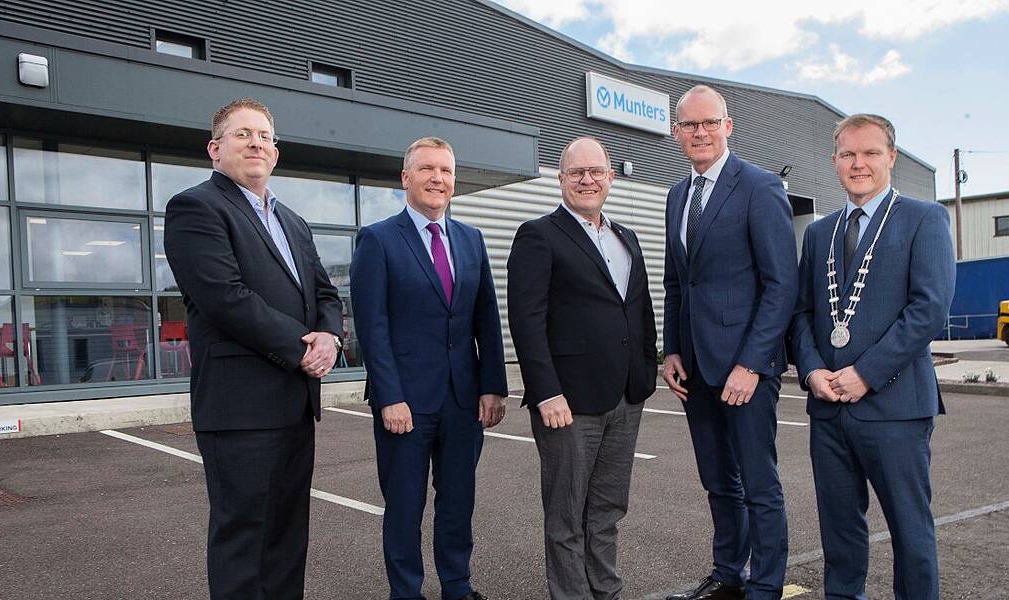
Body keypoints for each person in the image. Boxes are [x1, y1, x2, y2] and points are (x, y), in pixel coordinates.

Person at [164, 98, 344, 600]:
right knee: (244, 539)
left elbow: (325, 292)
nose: (256, 143)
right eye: (242, 134)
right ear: (215, 149)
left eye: (264, 136)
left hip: (294, 403)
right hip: (240, 407)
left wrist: (329, 336)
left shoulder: (292, 220)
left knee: (288, 537)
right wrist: (301, 346)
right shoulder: (195, 207)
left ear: (276, 153)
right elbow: (224, 298)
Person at [789, 114, 954, 599]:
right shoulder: (819, 235)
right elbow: (800, 313)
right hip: (828, 410)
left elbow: (929, 310)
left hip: (896, 408)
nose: (858, 164)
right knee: (839, 535)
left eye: (870, 153)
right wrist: (813, 368)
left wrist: (866, 374)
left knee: (911, 533)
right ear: (835, 161)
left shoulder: (924, 219)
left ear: (891, 158)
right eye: (848, 154)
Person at [350, 136, 508, 600]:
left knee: (458, 503)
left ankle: (458, 587)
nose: (437, 178)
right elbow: (372, 327)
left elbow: (486, 318)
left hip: (463, 400)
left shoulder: (470, 238)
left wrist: (493, 386)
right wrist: (389, 395)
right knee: (405, 506)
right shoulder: (378, 239)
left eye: (445, 171)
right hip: (406, 403)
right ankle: (406, 592)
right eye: (426, 169)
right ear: (406, 178)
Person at [661, 85, 798, 600]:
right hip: (696, 370)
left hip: (745, 371)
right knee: (719, 482)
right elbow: (679, 281)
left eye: (709, 123)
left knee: (759, 486)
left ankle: (766, 586)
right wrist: (673, 350)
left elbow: (780, 284)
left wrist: (752, 364)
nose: (699, 133)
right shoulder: (678, 194)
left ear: (728, 126)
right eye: (689, 125)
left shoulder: (760, 188)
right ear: (676, 132)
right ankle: (727, 576)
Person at [507, 136, 658, 600]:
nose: (587, 180)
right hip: (568, 401)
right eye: (577, 173)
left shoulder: (625, 237)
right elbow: (525, 319)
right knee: (567, 516)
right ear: (561, 179)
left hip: (625, 394)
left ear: (611, 178)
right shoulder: (539, 235)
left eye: (596, 172)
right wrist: (546, 390)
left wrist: (649, 368)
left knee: (609, 508)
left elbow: (639, 308)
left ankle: (606, 591)